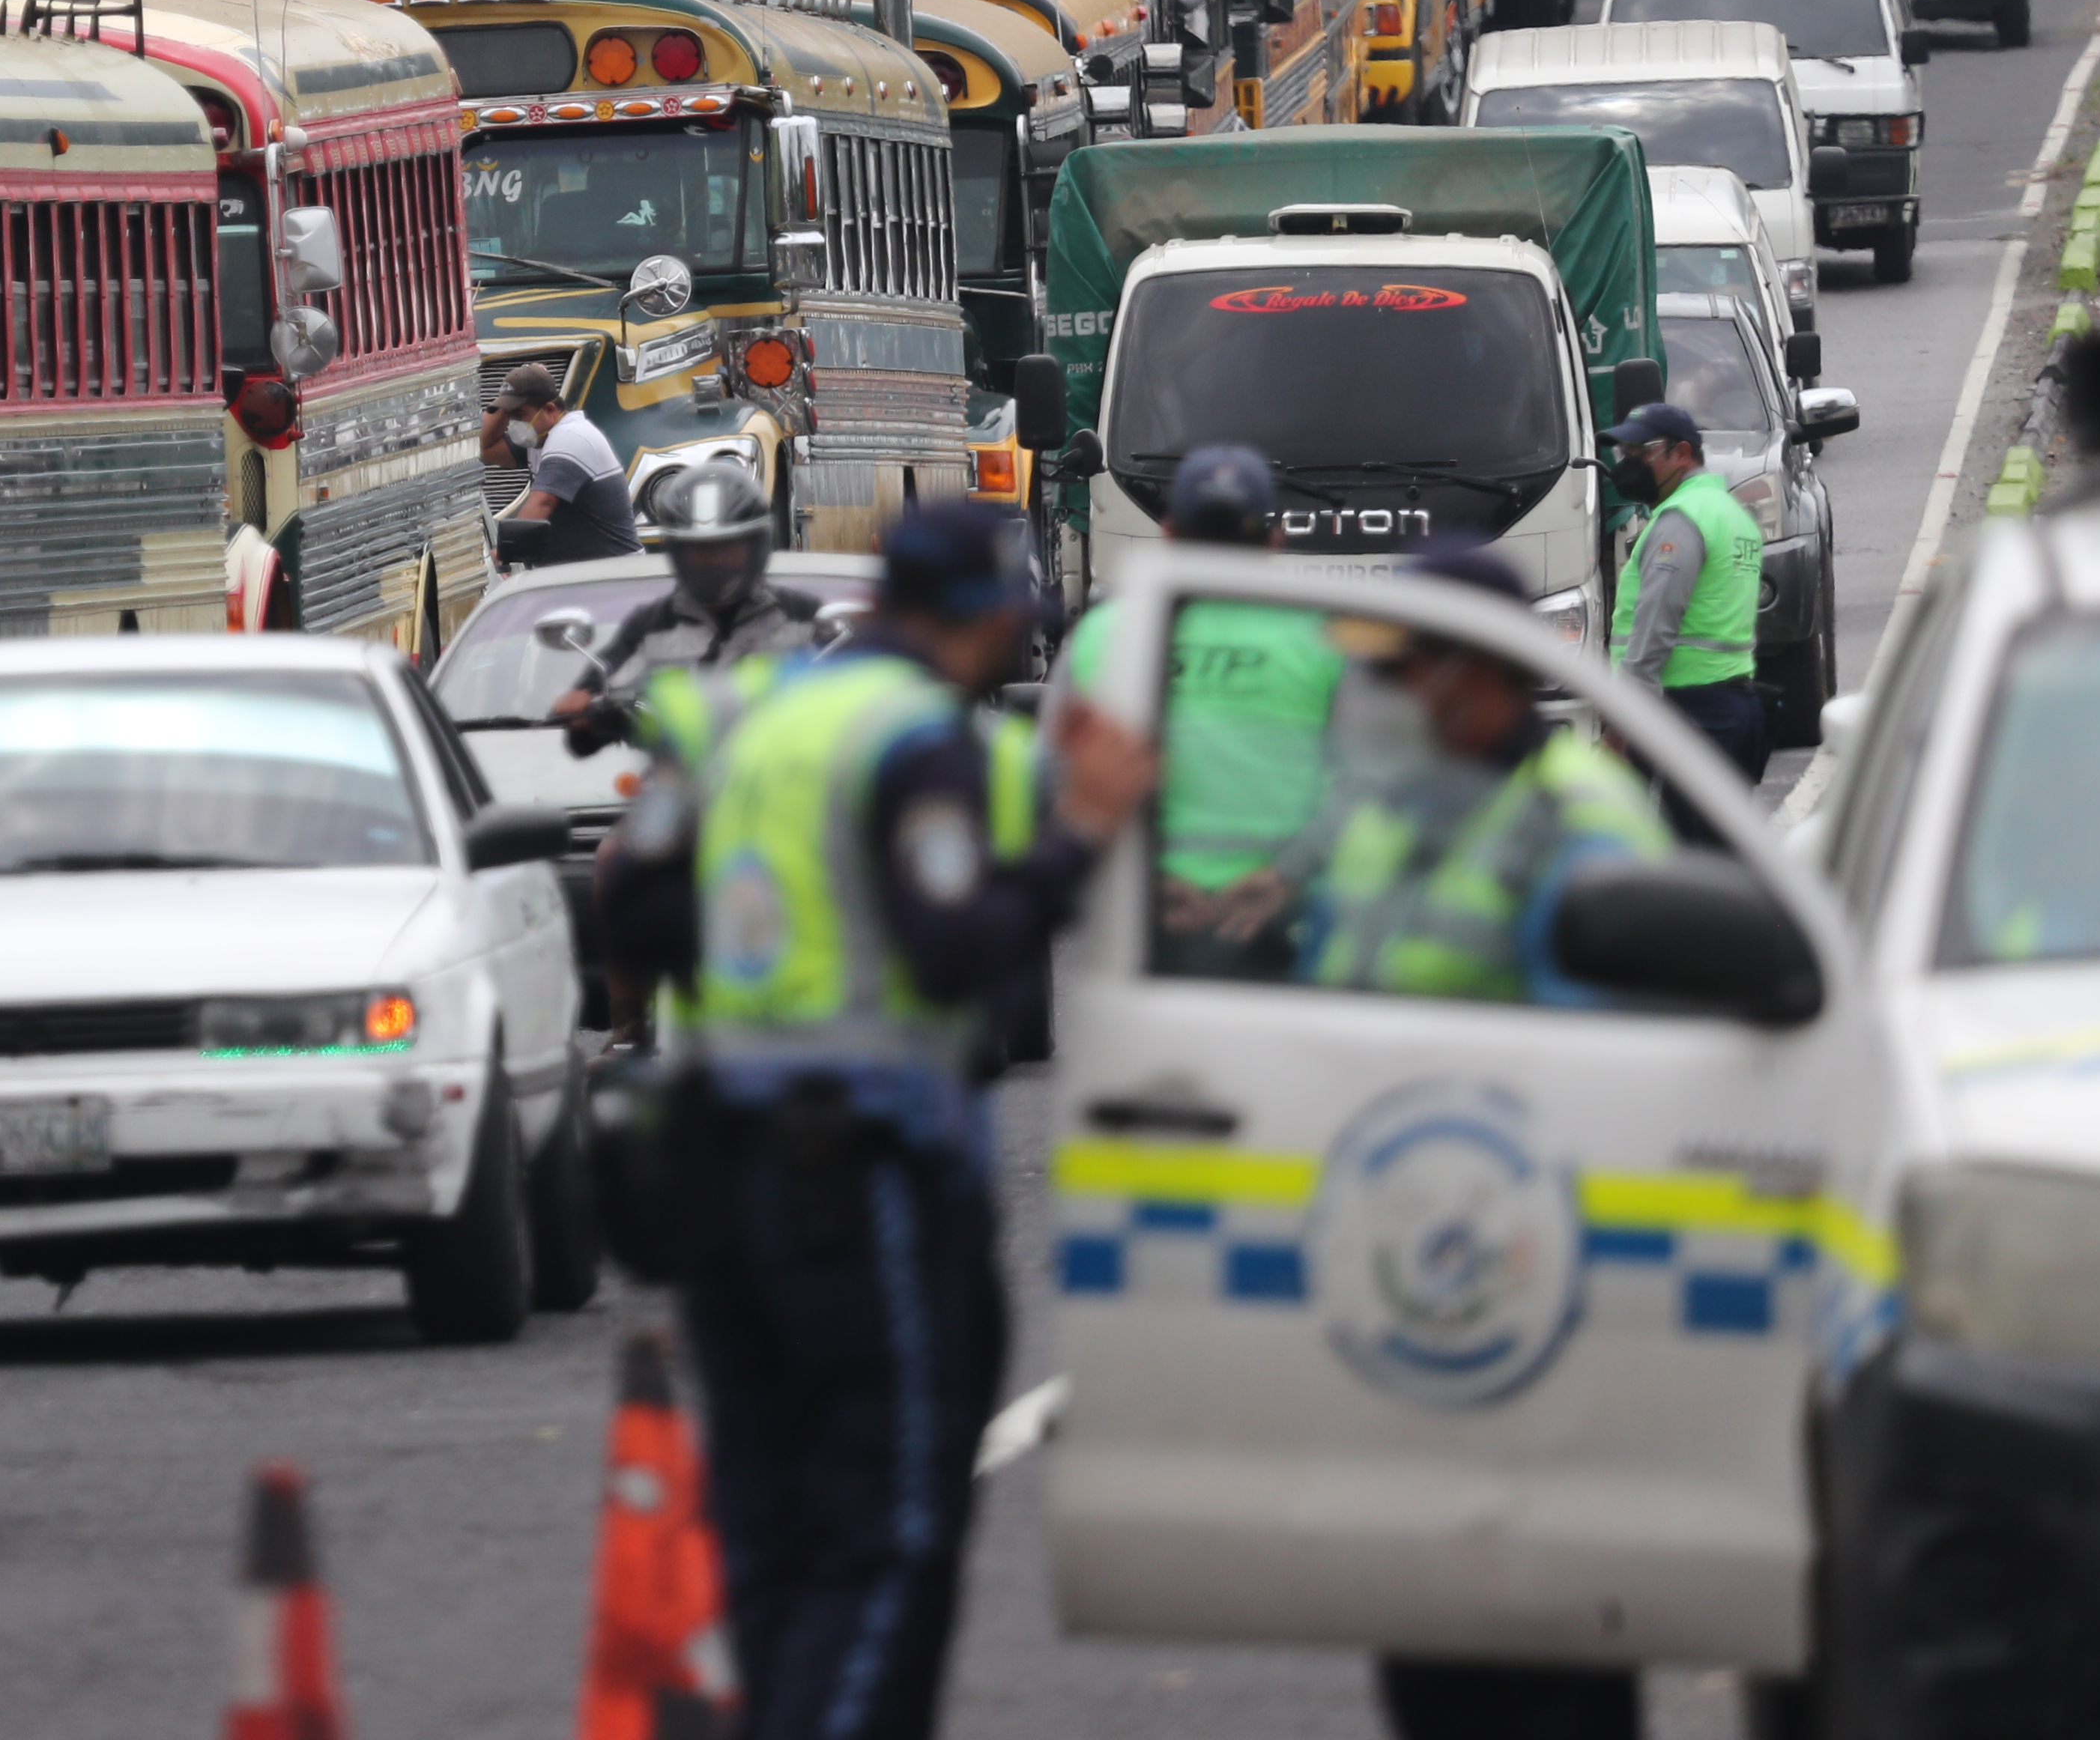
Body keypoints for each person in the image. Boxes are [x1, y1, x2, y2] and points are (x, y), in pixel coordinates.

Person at [593, 502, 1149, 1740]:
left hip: (723, 1170)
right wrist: (1076, 843)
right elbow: (955, 955)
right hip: (864, 1181)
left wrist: (757, 962)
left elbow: (628, 918)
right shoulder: (920, 741)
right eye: (1017, 622)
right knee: (892, 1531)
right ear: (983, 614)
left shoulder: (748, 719)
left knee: (776, 1530)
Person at [1223, 540, 1672, 1005]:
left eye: (1399, 670)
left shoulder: (1576, 821)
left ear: (1479, 670)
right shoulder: (1395, 799)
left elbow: (1599, 1049)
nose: (1381, 692)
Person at [1053, 445, 1344, 970]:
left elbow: (1053, 781)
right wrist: (1287, 877)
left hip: (1145, 925)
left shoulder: (1105, 635)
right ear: (1273, 542)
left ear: (1169, 535)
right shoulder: (1321, 637)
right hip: (1284, 925)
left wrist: (1148, 878)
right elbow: (1365, 785)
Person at [555, 459, 823, 759]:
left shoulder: (804, 619)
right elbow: (583, 731)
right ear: (677, 550)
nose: (714, 561)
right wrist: (587, 714)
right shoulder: (650, 628)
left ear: (756, 544)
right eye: (699, 551)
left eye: (728, 548)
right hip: (681, 792)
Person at [1601, 398, 1768, 793]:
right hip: (1732, 705)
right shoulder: (1730, 513)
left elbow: (1657, 619)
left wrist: (1625, 718)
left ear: (1682, 454)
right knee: (1715, 845)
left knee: (1679, 846)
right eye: (1624, 454)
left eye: (1642, 453)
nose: (1628, 465)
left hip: (1687, 712)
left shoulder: (1681, 518)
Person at [485, 360, 642, 570]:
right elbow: (486, 450)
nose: (514, 424)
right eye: (510, 417)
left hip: (613, 577)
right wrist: (502, 408)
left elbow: (543, 503)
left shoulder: (571, 437)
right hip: (579, 577)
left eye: (520, 415)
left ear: (550, 409)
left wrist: (505, 555)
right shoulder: (540, 440)